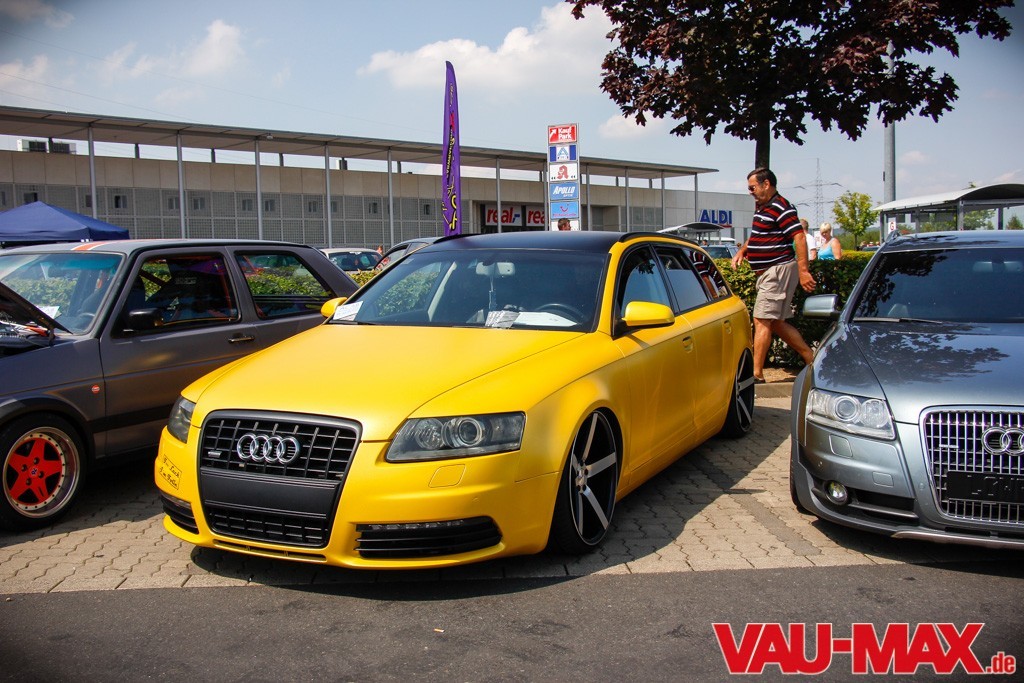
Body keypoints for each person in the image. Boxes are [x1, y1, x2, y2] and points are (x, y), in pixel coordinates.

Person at [731, 168, 816, 383]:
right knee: (775, 322)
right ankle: (810, 357)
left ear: (766, 184)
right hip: (770, 272)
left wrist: (804, 271)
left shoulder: (781, 206)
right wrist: (743, 250)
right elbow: (758, 235)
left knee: (761, 320)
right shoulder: (763, 207)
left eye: (752, 187)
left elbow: (799, 237)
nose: (750, 192)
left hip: (777, 270)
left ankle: (756, 374)